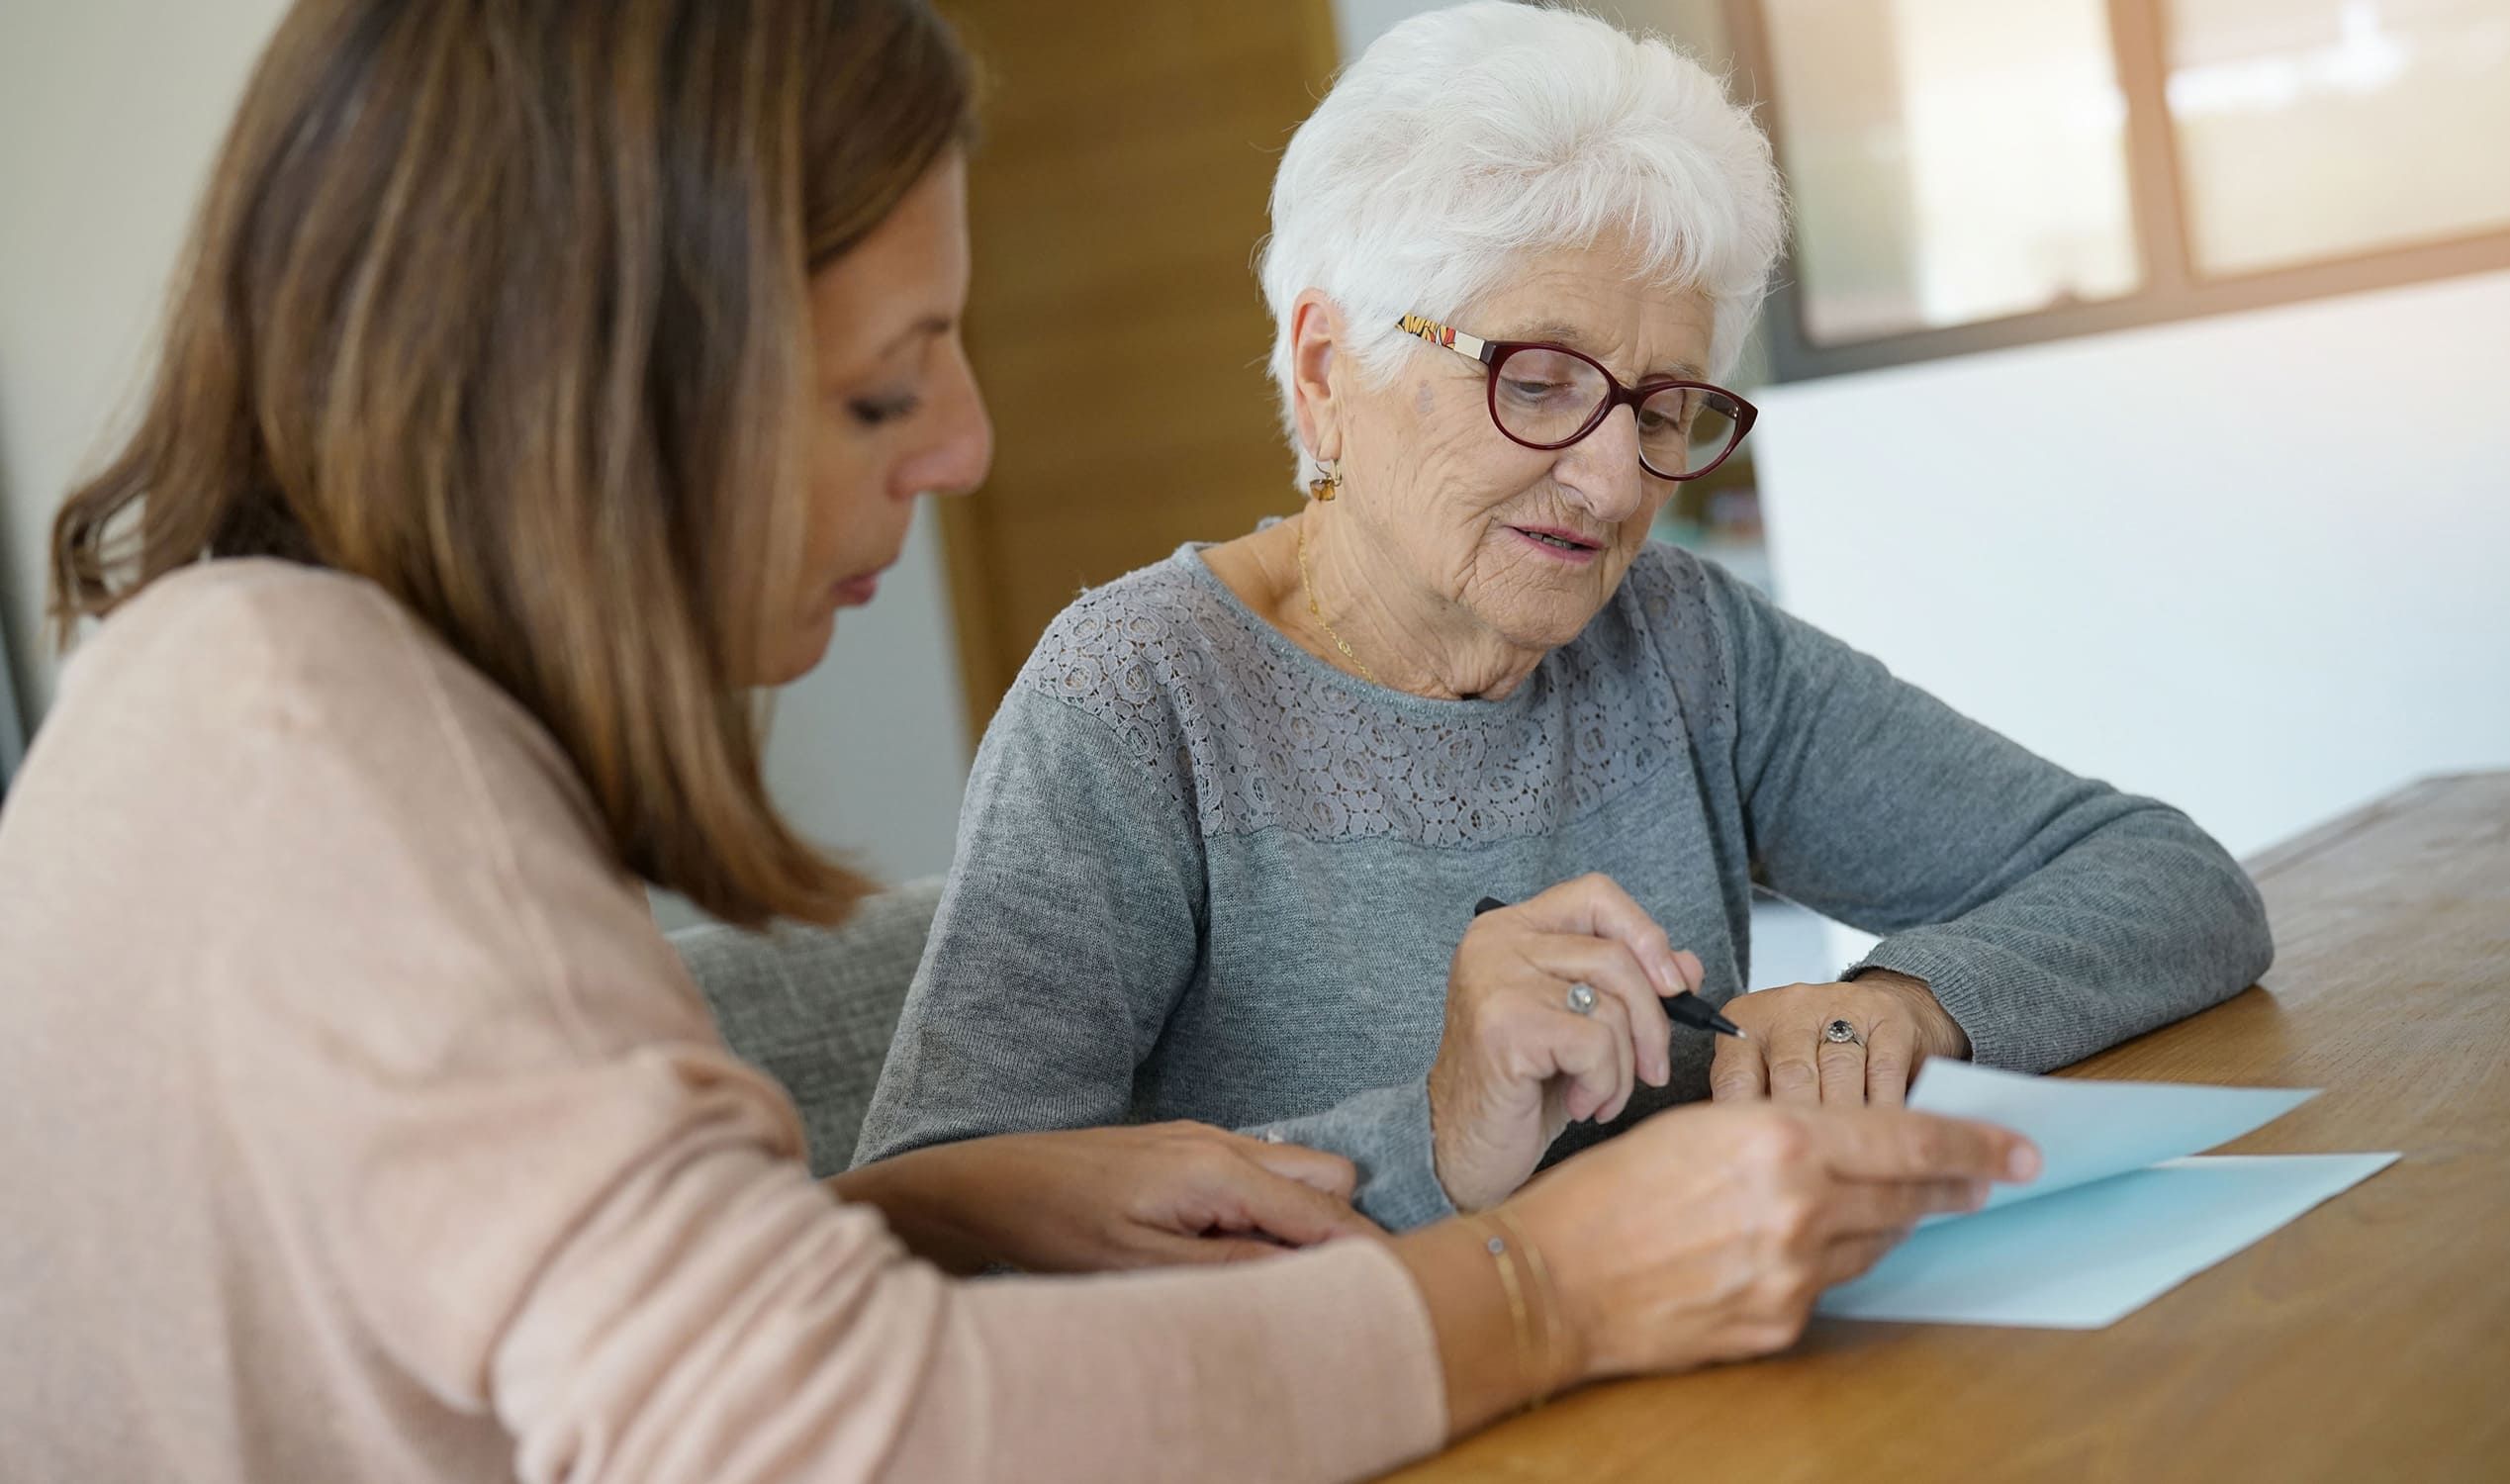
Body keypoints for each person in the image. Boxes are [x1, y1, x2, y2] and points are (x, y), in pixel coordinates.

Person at [0, 3, 2036, 1481]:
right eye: (885, 396)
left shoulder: (261, 705)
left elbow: (507, 1338)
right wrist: (1542, 1290)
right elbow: (825, 1430)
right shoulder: (327, 764)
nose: (965, 450)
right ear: (598, 391)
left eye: (1658, 407)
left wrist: (921, 1214)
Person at [856, 0, 2272, 1230]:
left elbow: (2165, 879)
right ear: (1328, 364)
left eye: (1662, 404)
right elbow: (945, 1210)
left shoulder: (1679, 641)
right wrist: (1438, 1137)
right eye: (1537, 379)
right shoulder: (1141, 694)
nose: (1608, 481)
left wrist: (1903, 1002)